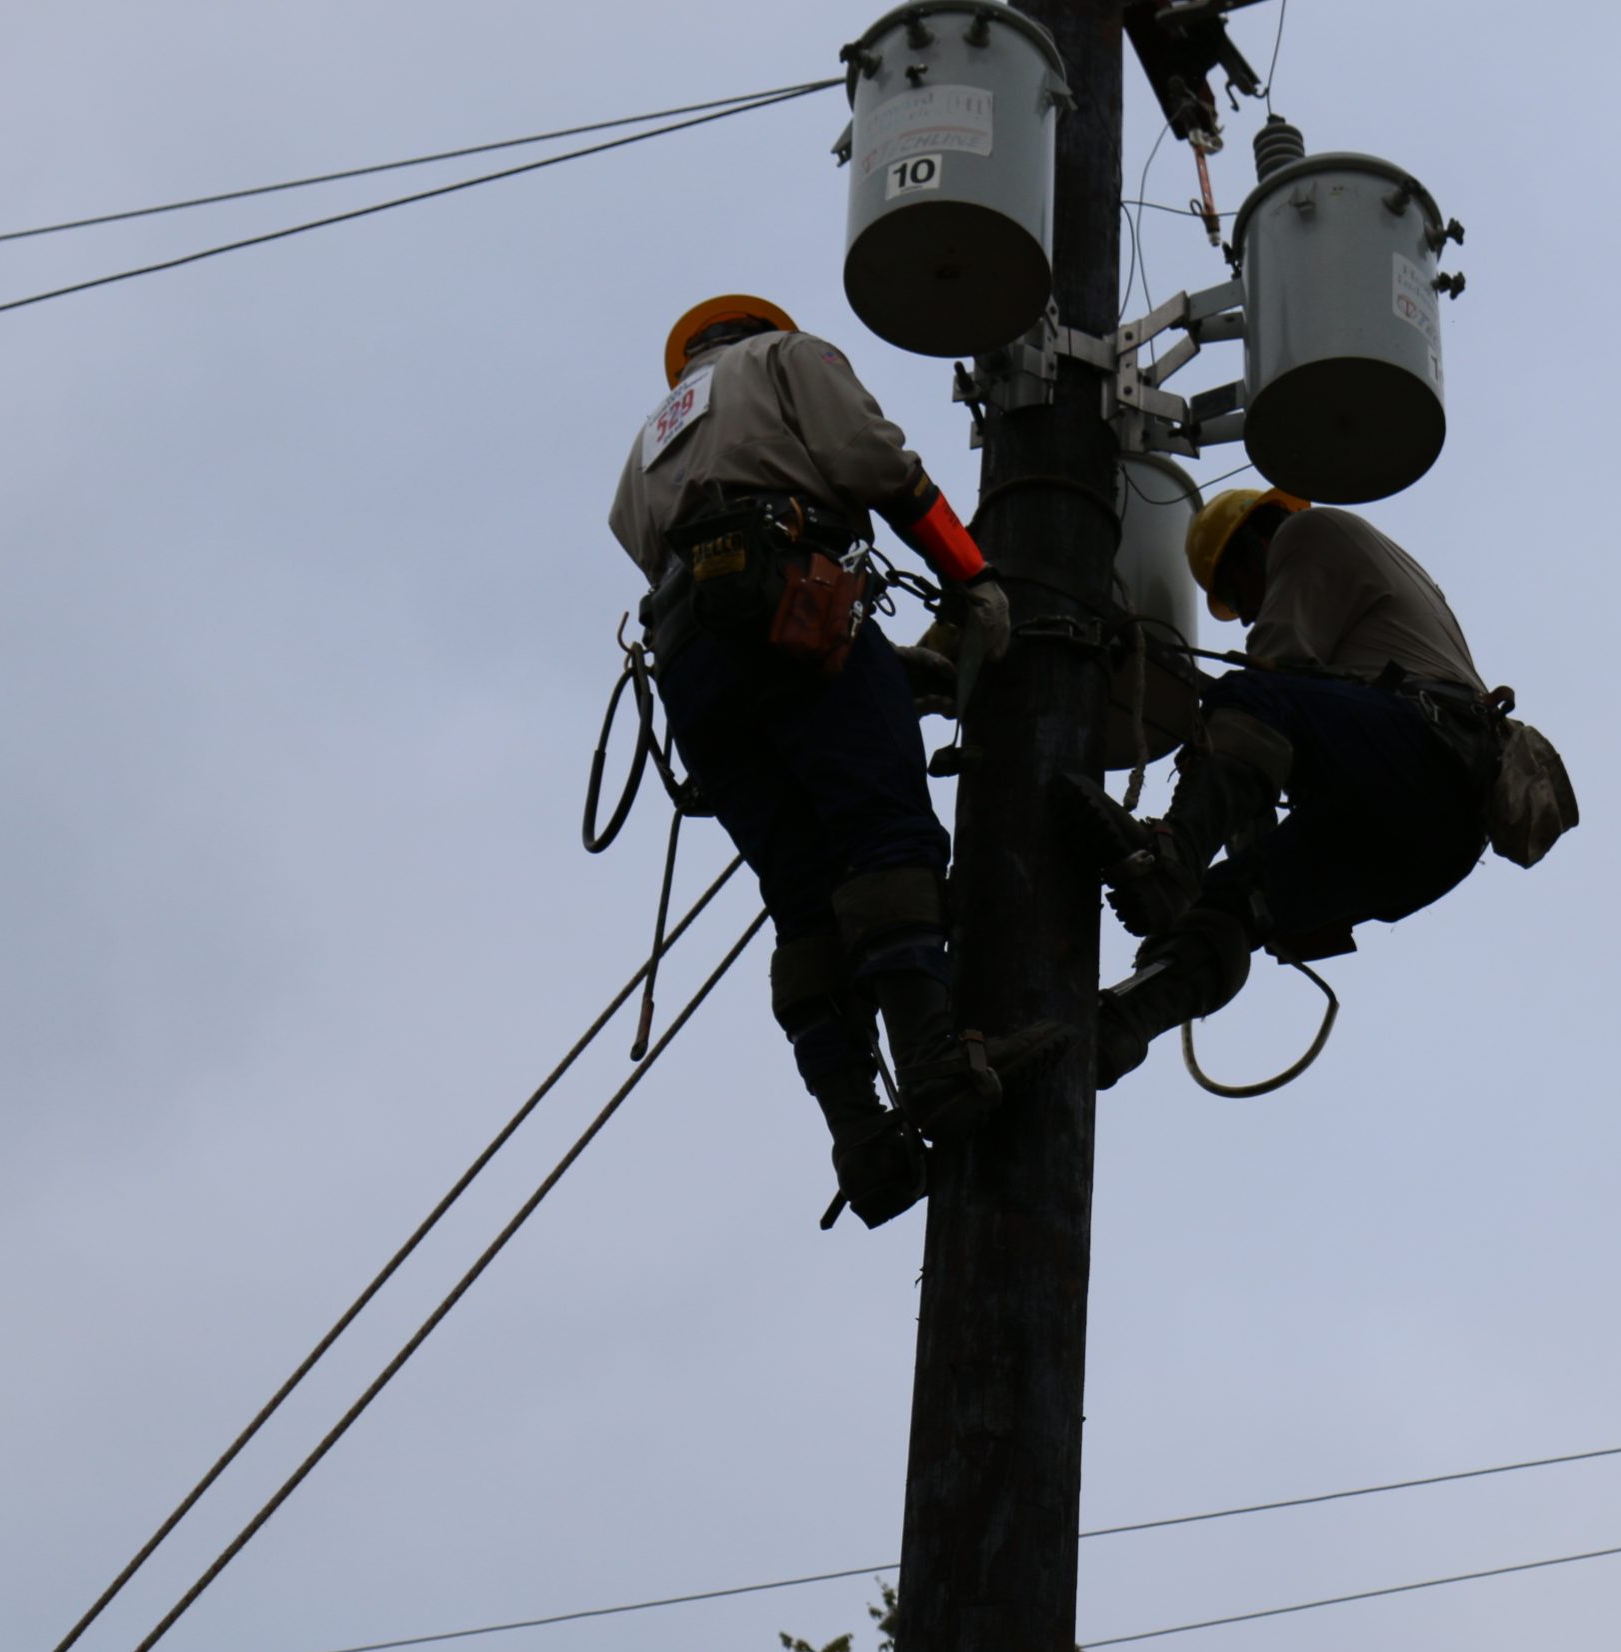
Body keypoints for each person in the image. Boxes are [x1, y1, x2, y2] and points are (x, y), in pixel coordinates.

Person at [609, 293, 1058, 1227]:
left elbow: (690, 568)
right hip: (789, 613)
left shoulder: (644, 449)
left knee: (803, 899)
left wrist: (879, 668)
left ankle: (864, 1142)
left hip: (691, 670)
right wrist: (971, 577)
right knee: (882, 832)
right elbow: (873, 465)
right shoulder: (786, 359)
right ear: (760, 328)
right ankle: (936, 1064)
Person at [1065, 488, 1565, 1088]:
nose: (1251, 614)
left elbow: (1272, 667)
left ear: (1254, 548)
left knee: (1244, 695)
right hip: (1436, 840)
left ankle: (1170, 860)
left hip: (1423, 758)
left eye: (1243, 598)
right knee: (1230, 903)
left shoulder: (1309, 534)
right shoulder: (1371, 604)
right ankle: (1122, 1028)